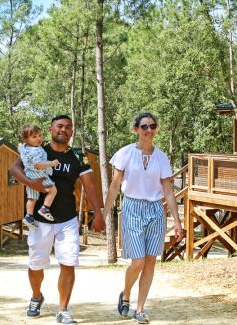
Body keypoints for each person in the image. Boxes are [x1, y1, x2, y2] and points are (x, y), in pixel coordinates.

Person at [10, 115, 105, 325]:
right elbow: (14, 169)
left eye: (68, 127)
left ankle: (63, 309)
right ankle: (36, 296)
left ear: (72, 132)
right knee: (36, 265)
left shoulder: (79, 157)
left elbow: (89, 186)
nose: (64, 129)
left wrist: (98, 214)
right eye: (59, 126)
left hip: (67, 219)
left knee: (68, 263)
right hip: (39, 221)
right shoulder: (37, 149)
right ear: (50, 129)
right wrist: (31, 184)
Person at [103, 111, 184, 324]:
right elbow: (114, 186)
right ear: (136, 129)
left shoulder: (162, 157)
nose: (149, 130)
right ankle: (126, 294)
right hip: (132, 208)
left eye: (153, 126)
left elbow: (168, 191)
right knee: (137, 262)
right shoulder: (125, 153)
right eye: (145, 126)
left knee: (150, 262)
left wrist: (177, 220)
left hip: (156, 210)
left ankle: (140, 309)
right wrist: (104, 214)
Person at [18, 124, 60, 228]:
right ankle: (44, 208)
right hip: (39, 175)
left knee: (32, 198)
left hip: (29, 176)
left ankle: (29, 217)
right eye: (34, 137)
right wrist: (51, 163)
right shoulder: (35, 151)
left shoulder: (25, 148)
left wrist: (19, 147)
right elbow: (38, 165)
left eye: (40, 135)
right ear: (26, 140)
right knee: (53, 190)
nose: (39, 139)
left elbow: (20, 150)